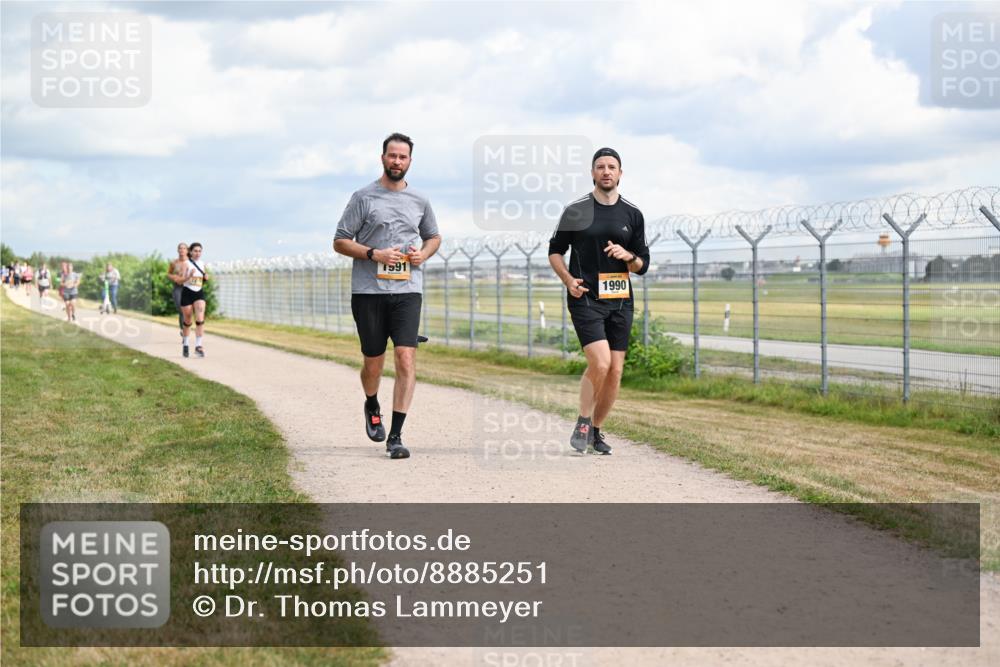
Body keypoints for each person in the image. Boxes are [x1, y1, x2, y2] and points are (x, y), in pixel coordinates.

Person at [333, 132, 441, 460]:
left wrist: (424, 254)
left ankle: (395, 436)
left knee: (406, 357)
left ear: (410, 161)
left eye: (403, 157)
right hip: (368, 291)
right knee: (373, 361)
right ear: (383, 158)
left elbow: (434, 237)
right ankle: (371, 402)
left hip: (408, 290)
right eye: (392, 156)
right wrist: (373, 254)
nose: (397, 162)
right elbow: (339, 241)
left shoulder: (420, 201)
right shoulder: (363, 197)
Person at [548, 147, 650, 455]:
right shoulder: (576, 210)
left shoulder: (633, 214)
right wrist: (568, 280)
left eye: (612, 167)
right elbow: (555, 252)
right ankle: (582, 419)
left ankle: (595, 431)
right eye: (601, 167)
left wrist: (627, 256)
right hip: (586, 297)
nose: (606, 171)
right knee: (601, 362)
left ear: (620, 174)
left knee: (616, 370)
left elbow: (642, 265)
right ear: (592, 173)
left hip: (620, 300)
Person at [178, 242, 209, 358]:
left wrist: (206, 278)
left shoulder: (202, 264)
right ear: (190, 252)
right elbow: (180, 281)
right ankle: (185, 344)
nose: (198, 253)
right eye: (195, 251)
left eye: (200, 251)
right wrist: (188, 277)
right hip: (187, 293)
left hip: (199, 293)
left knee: (200, 319)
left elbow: (202, 279)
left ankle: (198, 346)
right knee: (187, 320)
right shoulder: (185, 264)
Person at [168, 243, 189, 335]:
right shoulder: (174, 263)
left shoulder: (191, 262)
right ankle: (182, 329)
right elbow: (168, 274)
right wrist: (174, 277)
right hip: (178, 288)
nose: (182, 250)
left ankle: (186, 329)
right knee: (181, 309)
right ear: (178, 250)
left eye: (184, 248)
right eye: (180, 248)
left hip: (189, 287)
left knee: (187, 311)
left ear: (187, 250)